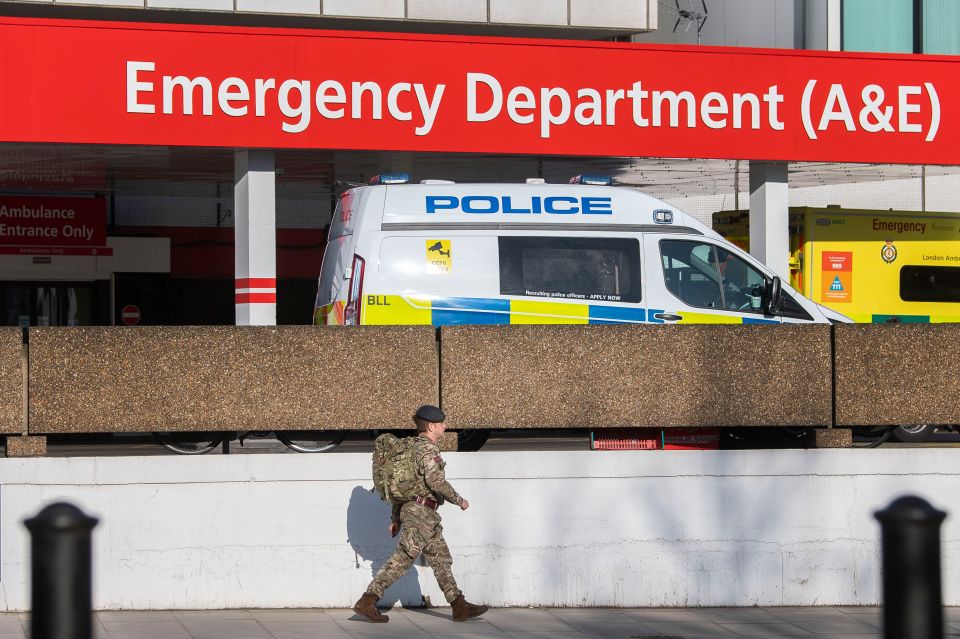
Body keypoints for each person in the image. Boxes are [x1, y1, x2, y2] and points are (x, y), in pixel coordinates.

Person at [353, 405, 489, 623]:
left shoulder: (409, 448)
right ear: (432, 426)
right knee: (403, 558)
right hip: (420, 513)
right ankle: (368, 600)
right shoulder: (427, 450)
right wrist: (459, 500)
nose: (445, 426)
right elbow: (436, 482)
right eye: (442, 423)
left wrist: (396, 518)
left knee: (441, 558)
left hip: (420, 512)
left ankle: (459, 605)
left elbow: (405, 488)